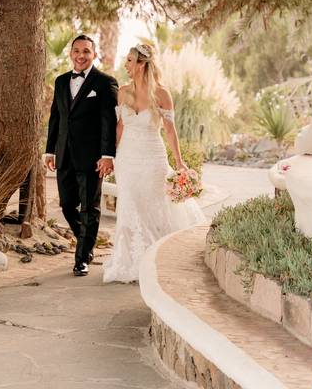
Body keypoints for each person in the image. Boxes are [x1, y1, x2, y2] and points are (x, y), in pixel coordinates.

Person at [103, 43, 206, 284]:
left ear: (141, 64)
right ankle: (129, 261)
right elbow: (119, 127)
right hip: (127, 158)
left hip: (153, 158)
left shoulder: (162, 94)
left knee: (154, 206)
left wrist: (179, 162)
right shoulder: (123, 91)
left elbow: (170, 130)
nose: (126, 65)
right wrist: (110, 156)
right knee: (128, 205)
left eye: (130, 61)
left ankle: (157, 259)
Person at [44, 35, 119, 277]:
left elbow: (109, 121)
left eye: (86, 51)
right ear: (71, 54)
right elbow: (56, 117)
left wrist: (107, 155)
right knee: (67, 205)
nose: (80, 55)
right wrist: (50, 150)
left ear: (94, 55)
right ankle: (86, 243)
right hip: (64, 154)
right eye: (76, 51)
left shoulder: (105, 82)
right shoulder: (61, 81)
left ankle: (81, 259)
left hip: (92, 157)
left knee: (89, 208)